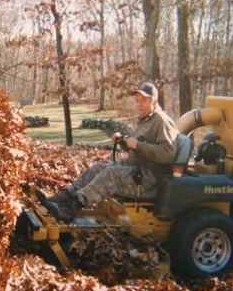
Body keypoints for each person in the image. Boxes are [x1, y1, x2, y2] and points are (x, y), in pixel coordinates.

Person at [36, 82, 179, 222]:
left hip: (148, 178)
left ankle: (71, 208)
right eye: (137, 100)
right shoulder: (146, 120)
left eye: (144, 100)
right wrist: (122, 142)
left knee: (111, 174)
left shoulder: (161, 121)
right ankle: (63, 198)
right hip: (136, 170)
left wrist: (139, 145)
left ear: (154, 101)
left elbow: (168, 153)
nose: (139, 104)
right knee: (98, 168)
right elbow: (136, 149)